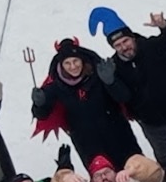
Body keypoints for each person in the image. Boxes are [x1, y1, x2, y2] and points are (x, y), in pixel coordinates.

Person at [90, 8, 166, 182]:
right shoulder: (114, 66)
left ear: (132, 37)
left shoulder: (153, 47)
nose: (124, 47)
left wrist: (164, 26)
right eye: (118, 45)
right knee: (162, 151)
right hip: (150, 122)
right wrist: (110, 82)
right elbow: (123, 97)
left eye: (125, 40)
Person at [30, 36, 142, 171]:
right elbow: (42, 115)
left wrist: (111, 82)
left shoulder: (99, 73)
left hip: (118, 133)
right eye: (67, 63)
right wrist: (39, 104)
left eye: (75, 61)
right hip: (87, 142)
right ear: (61, 65)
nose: (73, 66)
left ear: (82, 60)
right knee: (104, 179)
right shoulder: (55, 87)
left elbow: (124, 97)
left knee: (137, 170)